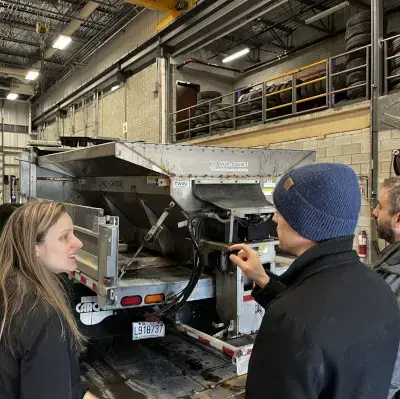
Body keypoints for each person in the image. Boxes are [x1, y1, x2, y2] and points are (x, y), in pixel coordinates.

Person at [229, 163, 400, 399]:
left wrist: (283, 310)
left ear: (305, 222)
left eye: (282, 210)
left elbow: (305, 324)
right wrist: (264, 280)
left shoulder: (288, 323)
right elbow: (327, 323)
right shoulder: (379, 288)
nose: (275, 218)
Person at [0, 201, 97, 399]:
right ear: (34, 248)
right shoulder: (44, 316)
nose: (78, 243)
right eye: (65, 236)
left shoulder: (9, 287)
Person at [372, 177, 400, 398]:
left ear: (398, 219)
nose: (374, 212)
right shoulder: (390, 262)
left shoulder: (394, 275)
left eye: (380, 207)